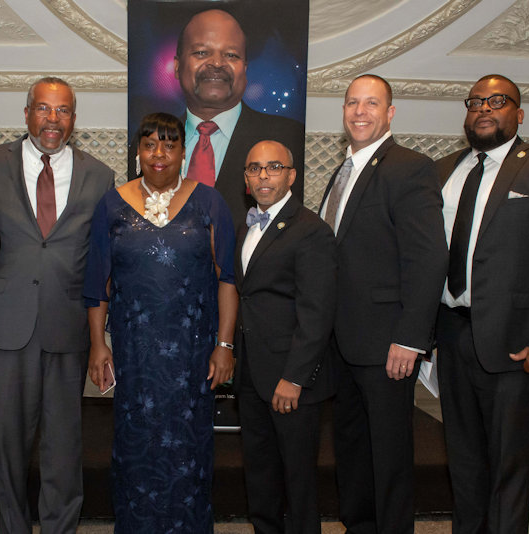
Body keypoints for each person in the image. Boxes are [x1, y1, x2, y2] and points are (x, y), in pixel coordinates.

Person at [84, 112, 237, 534]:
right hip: (134, 356)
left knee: (188, 452)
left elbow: (227, 278)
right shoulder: (111, 205)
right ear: (137, 150)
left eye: (169, 145)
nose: (159, 154)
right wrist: (98, 344)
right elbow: (97, 283)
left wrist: (224, 345)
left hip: (192, 358)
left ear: (183, 152)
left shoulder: (210, 203)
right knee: (136, 448)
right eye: (150, 144)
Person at [0, 76, 115, 534]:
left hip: (67, 324)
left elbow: (101, 260)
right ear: (26, 113)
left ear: (74, 119)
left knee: (63, 447)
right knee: (6, 445)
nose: (52, 119)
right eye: (43, 108)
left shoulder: (100, 175)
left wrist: (100, 338)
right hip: (5, 325)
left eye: (62, 111)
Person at [318, 74, 448, 533]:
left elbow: (429, 258)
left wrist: (411, 338)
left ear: (390, 113)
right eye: (352, 102)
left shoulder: (410, 167)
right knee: (352, 448)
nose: (360, 111)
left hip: (387, 344)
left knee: (389, 457)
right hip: (343, 341)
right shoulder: (342, 171)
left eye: (371, 103)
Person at [436, 74, 529, 533]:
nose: (484, 108)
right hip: (452, 335)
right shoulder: (444, 170)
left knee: (509, 469)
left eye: (497, 101)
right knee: (464, 465)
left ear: (519, 114)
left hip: (516, 344)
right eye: (475, 102)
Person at [235, 140, 336, 534]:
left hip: (290, 380)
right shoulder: (246, 225)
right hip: (251, 374)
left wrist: (294, 378)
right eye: (254, 168)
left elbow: (317, 313)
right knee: (260, 474)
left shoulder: (311, 231)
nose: (263, 175)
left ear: (291, 176)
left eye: (274, 167)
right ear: (246, 178)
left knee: (298, 482)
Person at [172, 8, 306, 226]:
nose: (217, 63)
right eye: (202, 53)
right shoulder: (151, 142)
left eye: (231, 55)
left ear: (245, 68)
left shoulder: (287, 138)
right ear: (177, 67)